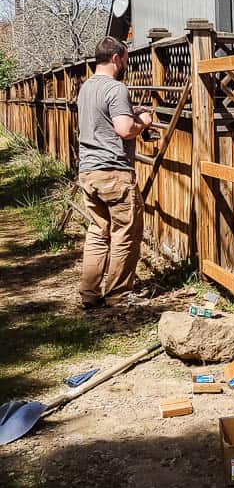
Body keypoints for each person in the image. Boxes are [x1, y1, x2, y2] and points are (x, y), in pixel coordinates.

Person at [77, 36, 153, 308]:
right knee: (125, 233)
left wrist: (128, 112)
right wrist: (142, 122)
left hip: (88, 172)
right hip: (113, 173)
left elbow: (103, 120)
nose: (125, 65)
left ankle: (90, 293)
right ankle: (118, 295)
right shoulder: (116, 88)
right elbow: (124, 130)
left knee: (98, 232)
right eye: (126, 60)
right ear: (116, 58)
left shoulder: (85, 88)